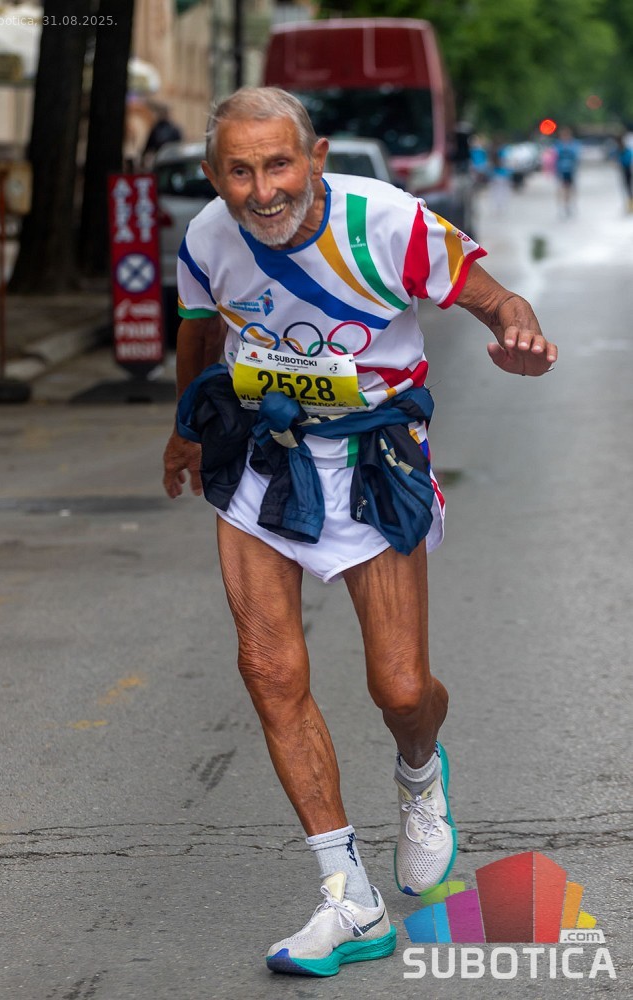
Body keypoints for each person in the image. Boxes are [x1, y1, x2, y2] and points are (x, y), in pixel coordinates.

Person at [162, 87, 557, 978]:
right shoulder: (208, 238)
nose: (263, 190)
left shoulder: (389, 223)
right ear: (214, 175)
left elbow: (496, 300)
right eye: (239, 171)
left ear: (316, 157)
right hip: (261, 459)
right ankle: (347, 897)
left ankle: (419, 774)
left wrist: (519, 335)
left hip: (373, 461)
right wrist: (186, 429)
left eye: (279, 164)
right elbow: (197, 329)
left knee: (400, 688)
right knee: (268, 670)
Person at [553, 126, 581, 217]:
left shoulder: (574, 144)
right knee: (562, 189)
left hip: (570, 170)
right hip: (561, 171)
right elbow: (554, 156)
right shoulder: (558, 144)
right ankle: (562, 205)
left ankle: (569, 205)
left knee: (570, 189)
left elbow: (576, 155)